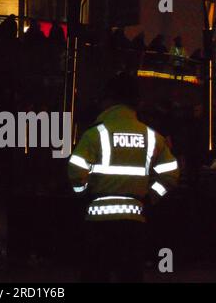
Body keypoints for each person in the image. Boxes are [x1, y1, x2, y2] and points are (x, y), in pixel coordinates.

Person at [68, 72, 179, 282]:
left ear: (108, 99)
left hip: (98, 221)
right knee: (130, 275)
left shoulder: (95, 134)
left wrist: (82, 192)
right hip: (135, 221)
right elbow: (171, 173)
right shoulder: (151, 136)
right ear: (136, 102)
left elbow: (76, 170)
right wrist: (151, 196)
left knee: (95, 275)